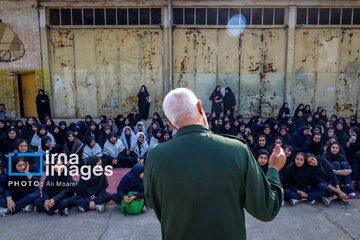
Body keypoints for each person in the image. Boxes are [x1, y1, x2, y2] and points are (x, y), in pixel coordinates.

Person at [144, 88, 286, 240]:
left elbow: (154, 203)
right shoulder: (237, 150)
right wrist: (273, 169)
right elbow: (266, 209)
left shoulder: (155, 157)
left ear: (171, 126)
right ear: (200, 106)